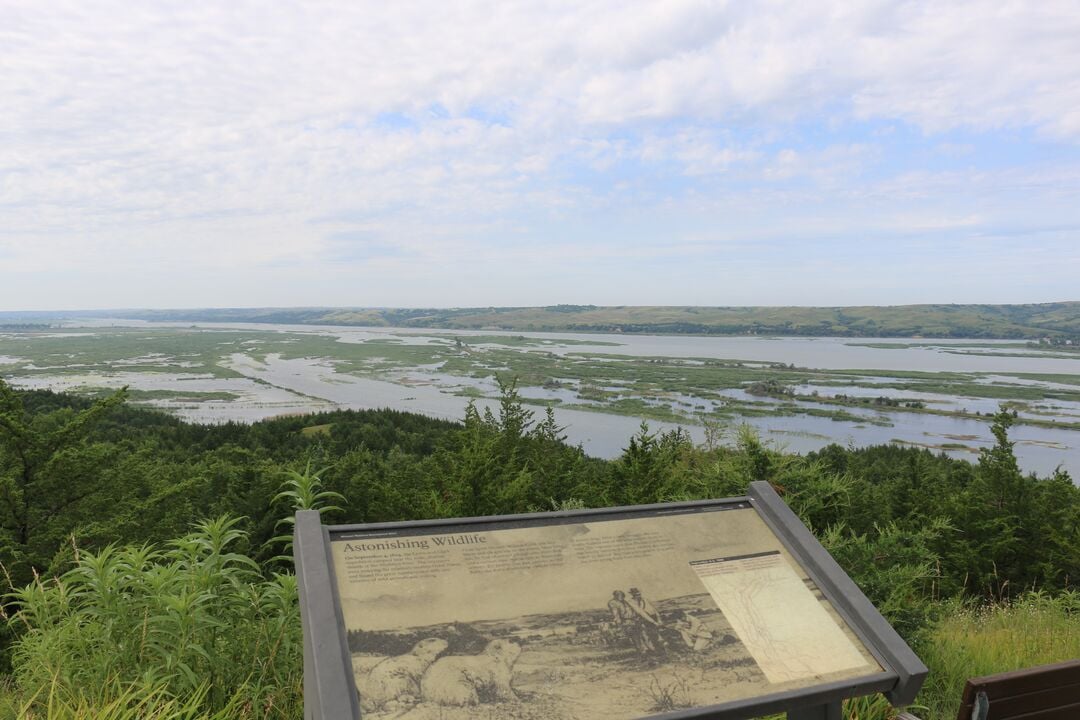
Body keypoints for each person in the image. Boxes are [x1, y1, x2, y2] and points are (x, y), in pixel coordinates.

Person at [627, 587, 664, 654]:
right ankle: (653, 651)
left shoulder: (644, 599)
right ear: (632, 594)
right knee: (647, 635)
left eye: (639, 593)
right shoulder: (631, 602)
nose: (638, 595)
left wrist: (659, 619)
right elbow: (641, 613)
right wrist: (654, 622)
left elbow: (654, 609)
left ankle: (660, 650)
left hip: (652, 617)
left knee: (656, 635)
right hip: (643, 619)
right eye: (636, 594)